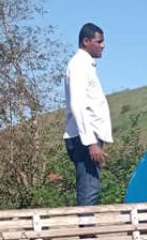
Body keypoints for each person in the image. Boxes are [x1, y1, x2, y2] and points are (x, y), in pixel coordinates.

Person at [64, 23, 112, 206]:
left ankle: (89, 232)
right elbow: (78, 104)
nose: (103, 45)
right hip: (84, 138)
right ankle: (87, 233)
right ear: (86, 41)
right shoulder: (79, 65)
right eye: (99, 41)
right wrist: (91, 142)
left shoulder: (86, 65)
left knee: (92, 188)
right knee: (89, 190)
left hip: (87, 136)